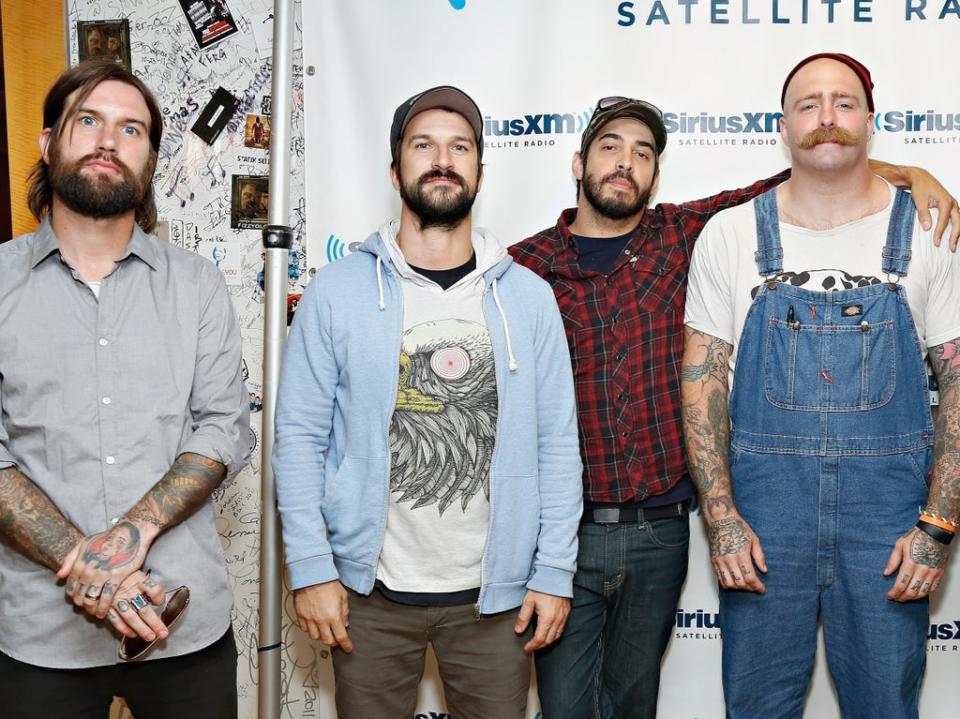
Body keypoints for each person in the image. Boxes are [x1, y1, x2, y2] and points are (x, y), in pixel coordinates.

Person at [509, 94, 959, 717]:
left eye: (642, 153)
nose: (624, 164)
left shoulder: (682, 234)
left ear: (655, 174)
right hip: (562, 532)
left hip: (659, 530)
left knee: (635, 703)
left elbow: (810, 168)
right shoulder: (523, 269)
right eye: (610, 148)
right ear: (578, 161)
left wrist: (910, 175)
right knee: (566, 707)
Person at [273, 85, 582, 718]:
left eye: (459, 146)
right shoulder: (336, 293)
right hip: (368, 595)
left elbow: (557, 443)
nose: (442, 159)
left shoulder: (527, 299)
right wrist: (310, 567)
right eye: (424, 145)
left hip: (495, 601)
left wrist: (553, 571)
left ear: (478, 171)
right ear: (395, 171)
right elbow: (299, 438)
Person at [681, 53, 960, 719]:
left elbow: (956, 382)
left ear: (871, 120)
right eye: (808, 104)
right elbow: (701, 382)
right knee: (757, 706)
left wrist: (940, 523)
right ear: (783, 124)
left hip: (889, 522)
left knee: (886, 706)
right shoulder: (732, 233)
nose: (826, 118)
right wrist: (721, 520)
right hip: (764, 521)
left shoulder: (929, 231)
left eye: (842, 102)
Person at [0, 60, 250, 719]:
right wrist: (84, 559)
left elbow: (225, 423)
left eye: (131, 129)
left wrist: (132, 534)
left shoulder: (196, 284)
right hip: (38, 639)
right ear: (49, 143)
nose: (109, 140)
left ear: (149, 159)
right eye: (89, 121)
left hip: (185, 630)